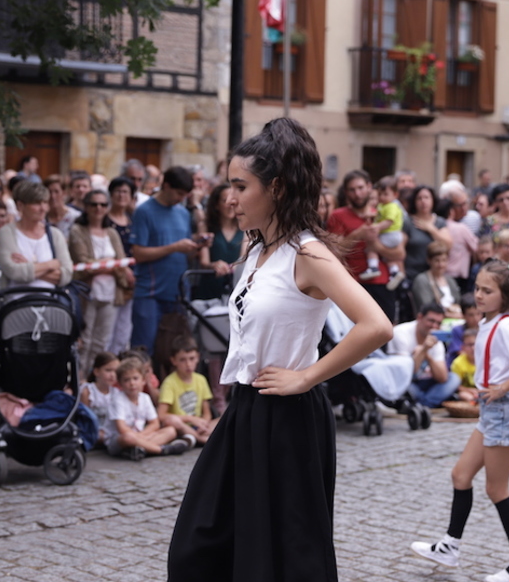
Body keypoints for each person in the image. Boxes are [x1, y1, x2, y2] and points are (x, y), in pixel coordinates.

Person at [167, 118, 392, 582]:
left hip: (289, 418)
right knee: (200, 544)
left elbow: (376, 326)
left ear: (276, 188)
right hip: (246, 410)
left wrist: (307, 376)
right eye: (229, 186)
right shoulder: (256, 247)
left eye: (240, 187)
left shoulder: (308, 254)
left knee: (286, 554)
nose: (230, 198)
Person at [410, 260, 509, 582]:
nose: (479, 295)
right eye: (477, 288)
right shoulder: (488, 322)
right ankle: (449, 547)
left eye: (488, 290)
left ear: (506, 295)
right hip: (492, 410)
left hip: (505, 410)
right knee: (460, 475)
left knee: (497, 489)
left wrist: (502, 387)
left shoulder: (506, 326)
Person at [130, 167, 203, 354]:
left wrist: (197, 247)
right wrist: (174, 247)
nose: (181, 198)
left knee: (175, 351)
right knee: (144, 349)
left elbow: (184, 254)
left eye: (185, 195)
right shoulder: (144, 211)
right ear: (166, 186)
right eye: (179, 193)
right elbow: (138, 253)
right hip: (150, 293)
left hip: (177, 293)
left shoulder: (183, 213)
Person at [327, 170, 406, 320]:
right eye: (352, 190)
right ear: (346, 192)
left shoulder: (382, 214)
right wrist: (358, 234)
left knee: (385, 328)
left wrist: (376, 246)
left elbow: (400, 254)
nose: (357, 194)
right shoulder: (337, 216)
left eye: (361, 188)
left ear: (369, 187)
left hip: (382, 282)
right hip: (352, 283)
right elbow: (334, 252)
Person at [68, 188, 129, 374]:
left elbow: (122, 262)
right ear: (86, 207)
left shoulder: (112, 233)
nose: (98, 208)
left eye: (103, 204)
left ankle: (94, 378)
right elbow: (83, 263)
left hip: (111, 293)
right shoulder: (77, 231)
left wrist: (103, 265)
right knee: (84, 340)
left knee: (102, 341)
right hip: (87, 293)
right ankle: (79, 377)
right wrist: (111, 264)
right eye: (94, 204)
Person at [0, 181, 73, 292]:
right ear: (20, 205)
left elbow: (66, 275)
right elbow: (14, 272)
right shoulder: (7, 232)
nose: (43, 208)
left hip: (51, 300)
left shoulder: (55, 234)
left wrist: (27, 265)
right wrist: (50, 265)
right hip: (17, 299)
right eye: (36, 203)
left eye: (45, 202)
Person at [107, 357, 188, 460]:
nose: (132, 383)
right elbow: (121, 428)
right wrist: (138, 437)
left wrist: (141, 436)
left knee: (171, 431)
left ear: (143, 380)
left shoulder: (145, 398)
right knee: (128, 438)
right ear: (120, 384)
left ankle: (139, 449)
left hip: (141, 435)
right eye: (127, 380)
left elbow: (155, 423)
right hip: (120, 439)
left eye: (135, 378)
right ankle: (161, 450)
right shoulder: (118, 400)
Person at [389, 302, 461, 408]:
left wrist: (427, 355)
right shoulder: (401, 333)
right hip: (405, 381)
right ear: (420, 317)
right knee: (403, 385)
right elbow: (405, 373)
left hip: (426, 382)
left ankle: (421, 404)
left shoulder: (436, 339)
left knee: (454, 378)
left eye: (438, 323)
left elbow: (443, 378)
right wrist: (424, 350)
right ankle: (428, 403)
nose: (434, 326)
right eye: (431, 321)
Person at [157, 336, 215, 446]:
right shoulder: (170, 382)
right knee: (171, 420)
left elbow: (207, 412)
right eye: (182, 360)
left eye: (191, 358)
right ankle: (201, 439)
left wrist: (204, 423)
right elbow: (162, 415)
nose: (188, 364)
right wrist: (191, 419)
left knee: (223, 419)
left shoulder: (201, 379)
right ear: (174, 361)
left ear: (198, 357)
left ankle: (193, 438)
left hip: (198, 425)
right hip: (180, 425)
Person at [195, 182, 243, 301]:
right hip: (210, 286)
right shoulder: (205, 226)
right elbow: (204, 262)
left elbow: (243, 259)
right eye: (225, 200)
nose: (231, 204)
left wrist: (231, 267)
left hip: (234, 288)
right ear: (216, 205)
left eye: (234, 200)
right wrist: (214, 265)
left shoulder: (245, 228)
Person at [107, 176, 137, 351]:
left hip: (132, 282)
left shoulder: (133, 220)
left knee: (124, 329)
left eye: (125, 192)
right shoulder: (104, 220)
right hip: (111, 280)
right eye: (118, 191)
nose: (121, 195)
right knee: (108, 329)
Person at [362, 176, 406, 285]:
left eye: (385, 194)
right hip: (391, 235)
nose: (382, 197)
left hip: (390, 234)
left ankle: (373, 267)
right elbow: (379, 215)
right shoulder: (383, 205)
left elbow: (389, 221)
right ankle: (394, 272)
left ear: (395, 195)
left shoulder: (392, 206)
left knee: (371, 248)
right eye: (380, 194)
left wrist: (377, 227)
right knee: (388, 256)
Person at [404, 185, 452, 283]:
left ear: (433, 200)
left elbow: (449, 245)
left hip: (435, 275)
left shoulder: (440, 222)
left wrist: (431, 229)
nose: (423, 201)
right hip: (412, 275)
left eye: (426, 197)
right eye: (419, 198)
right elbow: (400, 250)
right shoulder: (408, 222)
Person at [80, 352, 120, 449]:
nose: (112, 375)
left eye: (116, 371)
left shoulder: (116, 393)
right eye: (108, 370)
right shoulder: (88, 392)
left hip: (110, 432)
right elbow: (83, 419)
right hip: (93, 432)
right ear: (96, 371)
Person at [411, 242, 462, 318]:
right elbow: (427, 307)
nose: (441, 264)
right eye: (437, 261)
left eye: (444, 260)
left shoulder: (450, 280)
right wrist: (451, 315)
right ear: (429, 260)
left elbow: (459, 302)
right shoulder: (422, 280)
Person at [444, 188, 478, 293]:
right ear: (450, 208)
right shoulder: (452, 226)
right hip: (454, 275)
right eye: (459, 205)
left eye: (465, 203)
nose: (464, 208)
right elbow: (476, 246)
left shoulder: (473, 217)